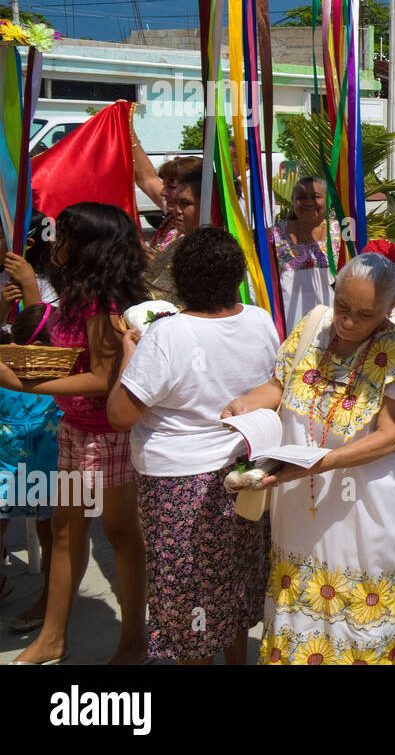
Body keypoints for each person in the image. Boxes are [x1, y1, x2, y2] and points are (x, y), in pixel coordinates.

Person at [224, 252, 395, 665]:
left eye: (364, 314)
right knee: (298, 622)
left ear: (390, 308)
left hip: (366, 516)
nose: (348, 321)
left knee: (357, 629)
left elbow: (391, 438)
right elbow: (278, 385)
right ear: (334, 291)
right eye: (343, 306)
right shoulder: (312, 328)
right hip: (301, 514)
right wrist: (245, 405)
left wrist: (322, 461)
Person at [105, 227, 279, 664]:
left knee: (190, 595)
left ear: (180, 280)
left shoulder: (168, 334)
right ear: (236, 276)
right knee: (234, 583)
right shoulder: (259, 320)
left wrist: (128, 353)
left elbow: (120, 415)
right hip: (244, 471)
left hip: (179, 483)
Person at [0, 202, 149, 665]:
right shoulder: (78, 295)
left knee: (121, 534)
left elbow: (105, 380)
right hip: (75, 431)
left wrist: (27, 383)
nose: (53, 242)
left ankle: (134, 640)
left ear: (86, 246)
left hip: (108, 435)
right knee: (66, 534)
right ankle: (52, 638)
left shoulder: (103, 304)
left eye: (62, 235)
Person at [0, 304, 63, 635]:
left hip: (50, 467)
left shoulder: (64, 378)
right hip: (6, 464)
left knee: (51, 532)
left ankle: (51, 600)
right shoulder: (5, 370)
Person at [271, 176, 344, 330]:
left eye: (316, 196)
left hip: (333, 325)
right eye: (301, 197)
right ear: (292, 201)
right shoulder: (275, 234)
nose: (309, 202)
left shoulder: (343, 232)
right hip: (289, 324)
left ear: (328, 200)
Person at [144, 166, 203, 305]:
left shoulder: (213, 251)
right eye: (177, 203)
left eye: (185, 204)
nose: (177, 210)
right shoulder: (178, 242)